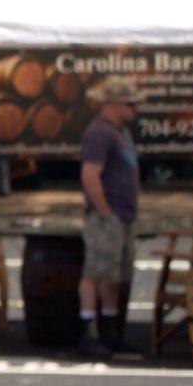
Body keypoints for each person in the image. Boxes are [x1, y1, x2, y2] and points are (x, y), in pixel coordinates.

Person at [78, 76, 143, 358]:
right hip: (108, 216)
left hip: (123, 215)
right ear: (113, 105)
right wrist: (105, 211)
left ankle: (111, 329)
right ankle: (89, 328)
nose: (134, 110)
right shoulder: (99, 133)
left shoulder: (119, 132)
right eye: (130, 104)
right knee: (96, 272)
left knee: (114, 276)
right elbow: (90, 174)